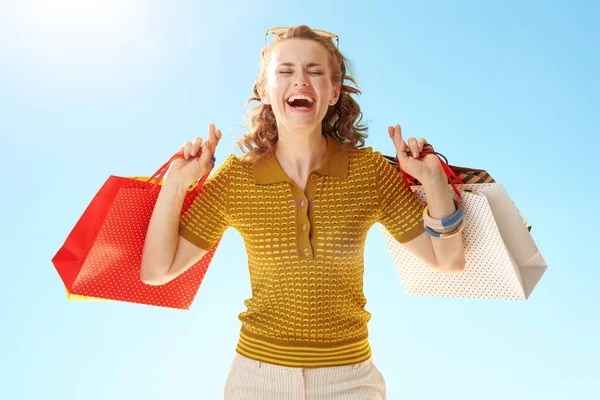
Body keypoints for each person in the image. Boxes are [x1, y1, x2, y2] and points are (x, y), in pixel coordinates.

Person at [140, 25, 466, 400]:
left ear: (333, 92)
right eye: (285, 71)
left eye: (315, 71)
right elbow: (157, 271)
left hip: (351, 381)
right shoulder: (237, 178)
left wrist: (434, 181)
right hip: (255, 380)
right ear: (264, 91)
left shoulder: (370, 172)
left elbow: (448, 261)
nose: (301, 81)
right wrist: (176, 185)